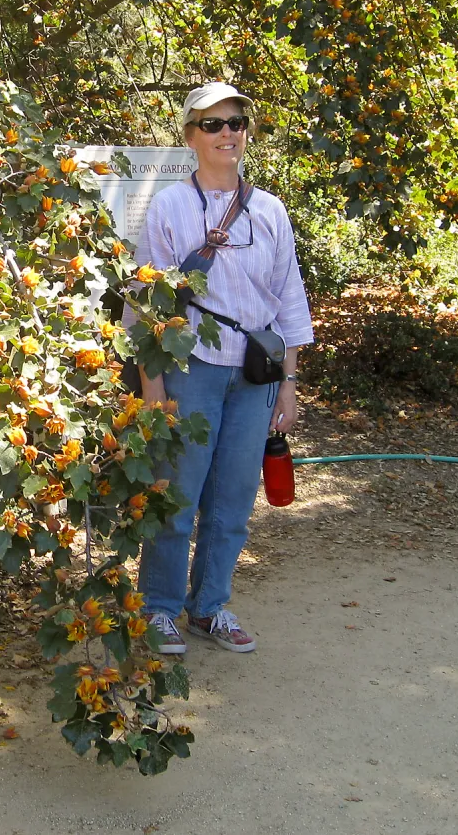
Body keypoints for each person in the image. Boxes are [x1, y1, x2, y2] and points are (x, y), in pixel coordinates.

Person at [129, 82, 314, 655]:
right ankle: (160, 608)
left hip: (255, 375)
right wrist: (153, 386)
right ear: (190, 136)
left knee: (233, 499)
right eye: (213, 124)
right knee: (176, 495)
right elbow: (146, 302)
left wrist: (289, 383)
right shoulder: (170, 207)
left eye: (236, 122)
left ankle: (210, 607)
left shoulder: (270, 209)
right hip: (191, 367)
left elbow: (289, 296)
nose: (227, 132)